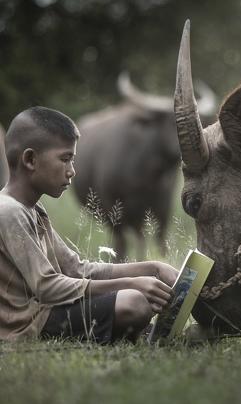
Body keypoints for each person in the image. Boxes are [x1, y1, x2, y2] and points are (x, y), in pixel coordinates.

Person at [0, 106, 178, 344]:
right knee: (134, 301)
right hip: (28, 324)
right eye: (65, 159)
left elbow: (76, 268)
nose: (72, 171)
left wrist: (151, 268)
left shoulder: (32, 210)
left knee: (133, 298)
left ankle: (130, 334)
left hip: (44, 313)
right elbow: (47, 287)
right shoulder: (9, 212)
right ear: (30, 160)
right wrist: (132, 283)